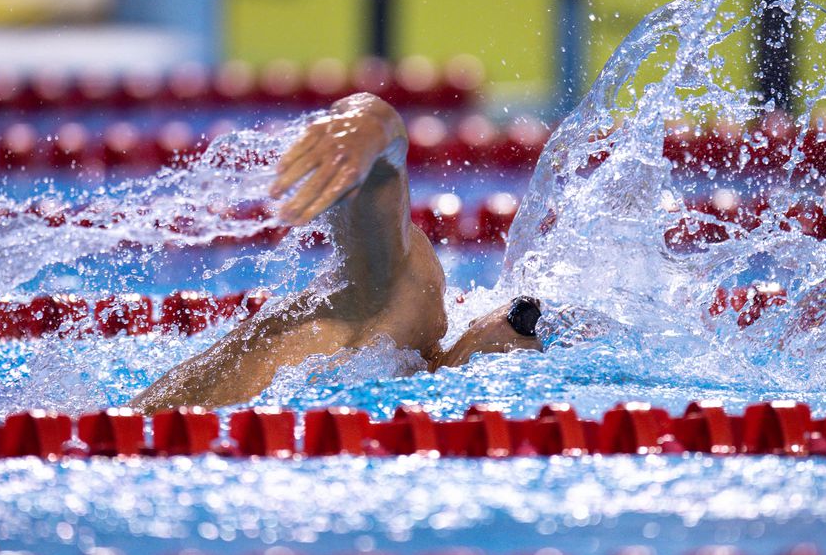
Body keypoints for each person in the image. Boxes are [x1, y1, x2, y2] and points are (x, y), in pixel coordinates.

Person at [130, 93, 544, 413]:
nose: (513, 342)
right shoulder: (411, 306)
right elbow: (382, 161)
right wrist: (362, 127)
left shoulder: (397, 372)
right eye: (524, 322)